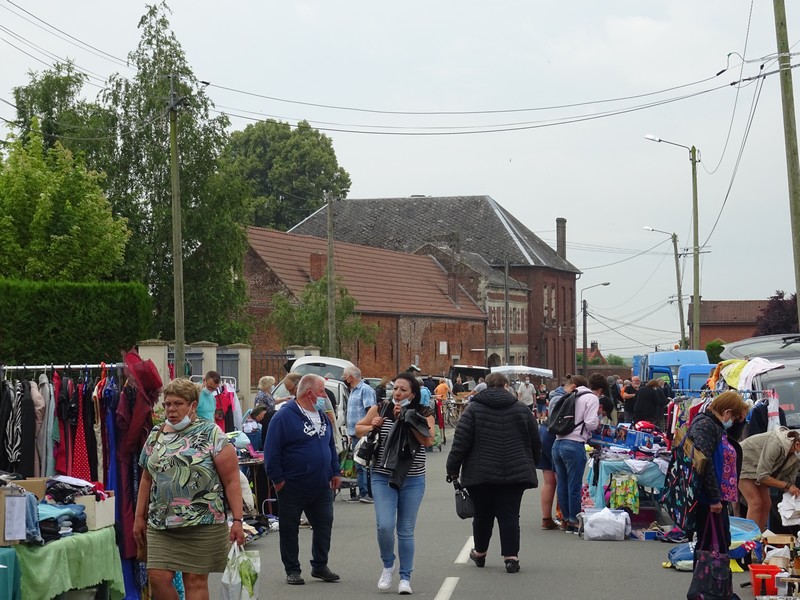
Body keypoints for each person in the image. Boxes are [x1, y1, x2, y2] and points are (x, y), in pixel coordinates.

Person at [134, 378, 245, 600]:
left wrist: (238, 521)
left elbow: (232, 480)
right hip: (161, 524)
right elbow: (146, 478)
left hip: (202, 524)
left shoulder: (211, 434)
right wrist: (139, 517)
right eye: (167, 404)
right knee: (157, 578)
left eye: (178, 404)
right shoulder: (156, 434)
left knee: (194, 581)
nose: (171, 409)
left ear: (193, 405)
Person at [446, 372, 541, 574]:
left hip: (480, 473)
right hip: (515, 472)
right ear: (507, 386)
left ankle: (480, 552)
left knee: (482, 515)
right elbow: (535, 441)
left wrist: (452, 469)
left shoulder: (472, 410)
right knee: (510, 515)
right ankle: (511, 557)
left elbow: (461, 443)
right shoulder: (522, 410)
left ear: (486, 386)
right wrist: (532, 462)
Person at [355, 372, 434, 595]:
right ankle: (388, 564)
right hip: (383, 476)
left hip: (413, 477)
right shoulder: (381, 408)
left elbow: (429, 440)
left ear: (414, 394)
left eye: (403, 390)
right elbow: (358, 428)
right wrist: (373, 425)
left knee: (406, 530)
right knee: (385, 525)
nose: (397, 394)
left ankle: (405, 577)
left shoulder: (423, 413)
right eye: (395, 389)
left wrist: (408, 419)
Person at [265, 374, 342, 585]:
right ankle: (292, 569)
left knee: (324, 525)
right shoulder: (283, 417)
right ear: (310, 394)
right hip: (292, 486)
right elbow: (271, 453)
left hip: (321, 485)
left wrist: (335, 471)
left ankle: (320, 565)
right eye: (322, 391)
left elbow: (329, 446)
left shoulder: (322, 416)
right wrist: (279, 481)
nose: (325, 396)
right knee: (289, 529)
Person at [681, 392, 749, 581]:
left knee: (717, 543)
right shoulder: (705, 425)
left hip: (716, 497)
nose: (733, 421)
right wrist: (713, 498)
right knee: (712, 546)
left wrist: (740, 422)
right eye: (734, 417)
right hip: (709, 499)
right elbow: (705, 463)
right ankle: (707, 587)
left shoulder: (714, 425)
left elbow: (727, 444)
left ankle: (711, 588)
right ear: (727, 412)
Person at [551, 374, 598, 533]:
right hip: (574, 443)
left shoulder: (567, 397)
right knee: (574, 485)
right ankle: (574, 520)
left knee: (562, 483)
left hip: (557, 443)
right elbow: (591, 424)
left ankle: (565, 519)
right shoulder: (590, 398)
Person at [739, 426, 800, 531]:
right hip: (742, 462)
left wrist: (794, 495)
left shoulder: (796, 455)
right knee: (756, 502)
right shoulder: (776, 443)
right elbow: (762, 476)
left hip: (760, 469)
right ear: (797, 445)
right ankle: (748, 542)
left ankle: (759, 537)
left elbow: (788, 481)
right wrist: (788, 486)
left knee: (767, 504)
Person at [537, 377, 575, 530]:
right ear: (573, 387)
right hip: (554, 435)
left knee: (548, 480)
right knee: (561, 478)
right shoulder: (568, 398)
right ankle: (564, 517)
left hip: (543, 432)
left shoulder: (553, 395)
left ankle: (546, 519)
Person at [343, 365, 377, 503]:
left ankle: (369, 493)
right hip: (355, 433)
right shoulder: (353, 390)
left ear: (351, 377)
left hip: (363, 432)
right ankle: (363, 492)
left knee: (364, 464)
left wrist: (367, 429)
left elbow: (371, 411)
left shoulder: (364, 390)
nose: (344, 378)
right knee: (359, 464)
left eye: (345, 375)